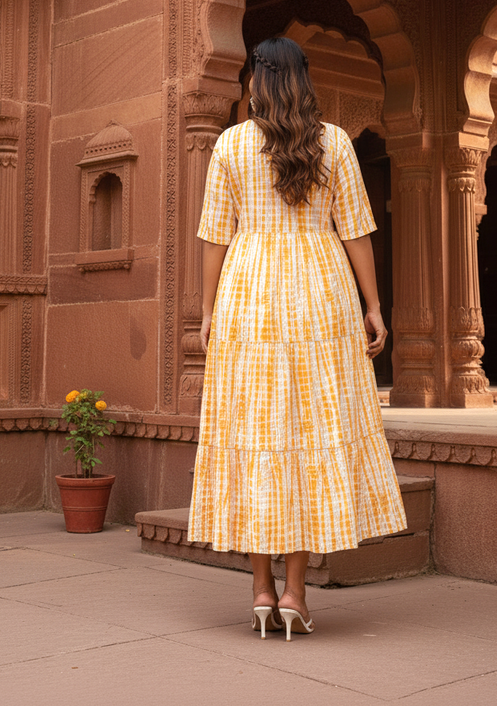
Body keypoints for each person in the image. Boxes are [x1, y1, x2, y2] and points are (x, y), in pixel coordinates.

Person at [188, 37, 406, 641]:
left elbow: (214, 237)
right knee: (310, 431)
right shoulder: (333, 141)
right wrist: (373, 305)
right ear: (304, 81)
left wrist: (206, 312)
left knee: (257, 434)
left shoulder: (231, 144)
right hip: (319, 291)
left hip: (250, 294)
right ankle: (294, 593)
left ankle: (259, 591)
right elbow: (357, 231)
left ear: (256, 81)